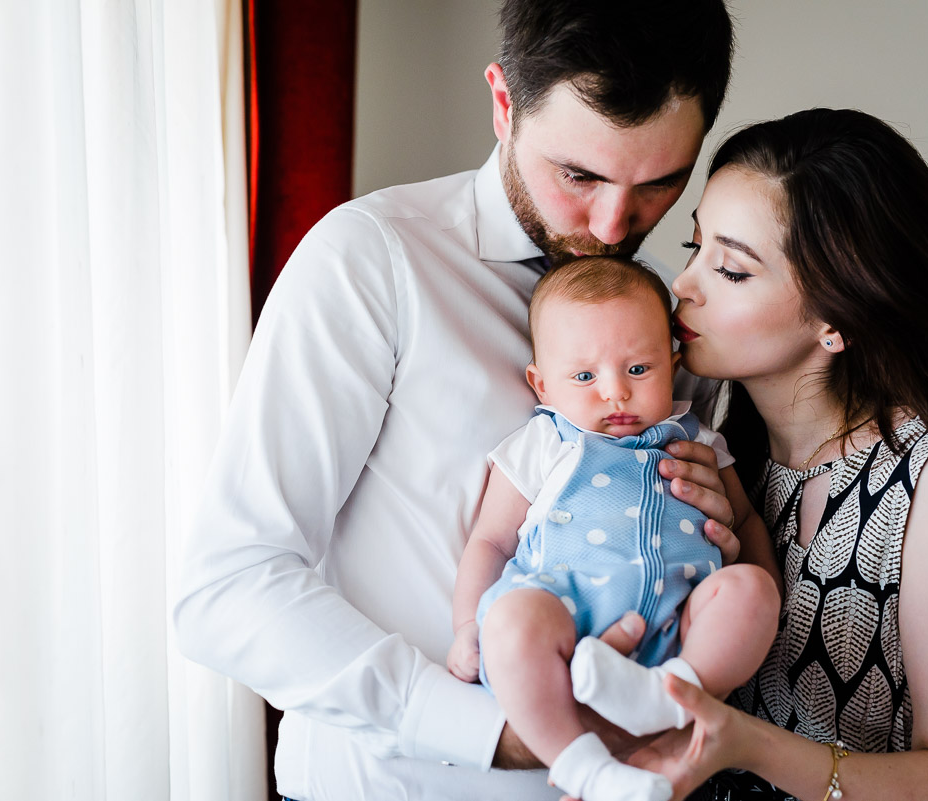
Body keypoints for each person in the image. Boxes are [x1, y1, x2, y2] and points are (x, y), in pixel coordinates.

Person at [172, 2, 738, 800]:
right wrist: (495, 732)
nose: (615, 225)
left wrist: (717, 532)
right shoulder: (371, 261)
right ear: (504, 103)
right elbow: (229, 584)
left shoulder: (677, 315)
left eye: (659, 183)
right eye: (579, 176)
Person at [621, 108, 928, 801]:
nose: (684, 285)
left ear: (836, 317)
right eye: (694, 246)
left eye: (731, 269)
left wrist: (749, 744)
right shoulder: (714, 449)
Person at [446, 256, 782, 801]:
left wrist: (764, 593)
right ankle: (580, 765)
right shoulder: (545, 443)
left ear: (672, 365)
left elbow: (743, 520)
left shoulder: (696, 441)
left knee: (750, 589)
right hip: (564, 615)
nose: (616, 393)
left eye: (639, 369)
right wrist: (467, 626)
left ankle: (672, 696)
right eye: (584, 377)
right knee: (511, 621)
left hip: (680, 631)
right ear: (542, 385)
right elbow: (491, 540)